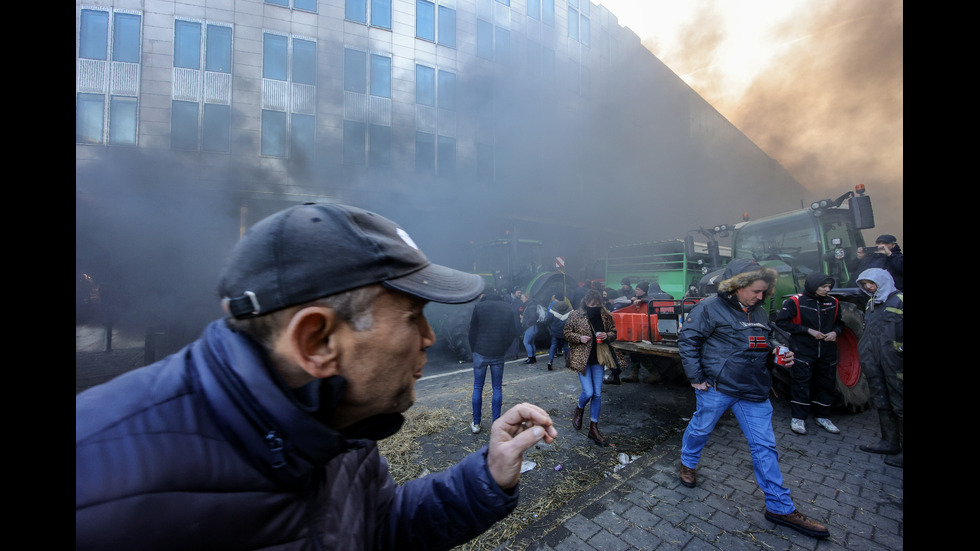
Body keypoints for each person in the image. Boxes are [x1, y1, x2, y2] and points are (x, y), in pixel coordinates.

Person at [76, 203, 558, 550]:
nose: (429, 338)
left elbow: (380, 526)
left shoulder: (339, 424)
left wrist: (488, 476)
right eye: (413, 317)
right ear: (317, 342)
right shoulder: (97, 486)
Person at [676, 259, 830, 539]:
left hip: (754, 389)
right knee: (700, 429)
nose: (761, 297)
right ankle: (687, 463)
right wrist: (696, 377)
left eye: (764, 292)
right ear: (737, 286)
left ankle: (780, 507)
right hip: (717, 386)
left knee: (765, 446)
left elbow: (763, 339)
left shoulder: (758, 312)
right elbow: (688, 341)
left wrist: (777, 350)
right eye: (756, 291)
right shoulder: (708, 308)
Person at [774, 272, 844, 435]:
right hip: (803, 349)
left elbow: (840, 323)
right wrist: (808, 331)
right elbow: (781, 322)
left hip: (827, 350)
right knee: (801, 383)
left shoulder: (833, 302)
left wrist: (835, 332)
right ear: (813, 286)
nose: (828, 290)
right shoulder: (795, 302)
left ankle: (823, 416)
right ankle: (798, 417)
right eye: (824, 287)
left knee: (826, 383)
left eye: (829, 287)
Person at [563, 289, 627, 446]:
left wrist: (607, 336)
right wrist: (579, 338)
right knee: (589, 392)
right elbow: (566, 332)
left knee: (597, 394)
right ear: (586, 302)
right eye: (592, 304)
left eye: (598, 304)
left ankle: (593, 428)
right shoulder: (575, 315)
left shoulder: (605, 315)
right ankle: (579, 408)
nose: (595, 307)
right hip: (582, 359)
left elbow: (614, 332)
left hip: (599, 358)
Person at [855, 268, 903, 468]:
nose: (868, 287)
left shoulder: (899, 300)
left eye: (871, 283)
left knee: (900, 403)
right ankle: (889, 442)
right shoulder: (872, 302)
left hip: (896, 362)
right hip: (874, 361)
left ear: (882, 281)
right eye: (865, 283)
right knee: (882, 400)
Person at [468, 292, 521, 433]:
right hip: (498, 353)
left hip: (480, 352)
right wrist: (504, 348)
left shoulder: (479, 307)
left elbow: (472, 331)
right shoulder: (507, 307)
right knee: (497, 387)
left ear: (484, 294)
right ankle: (496, 424)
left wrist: (474, 349)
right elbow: (513, 332)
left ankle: (476, 424)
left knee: (478, 387)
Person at [546, 293, 572, 371]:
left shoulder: (553, 307)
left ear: (556, 299)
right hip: (565, 330)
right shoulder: (568, 307)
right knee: (566, 345)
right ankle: (567, 362)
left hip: (555, 330)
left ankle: (550, 361)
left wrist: (551, 326)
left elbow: (549, 319)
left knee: (553, 345)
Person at [520, 292, 541, 364]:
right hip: (534, 327)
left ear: (527, 298)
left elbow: (532, 317)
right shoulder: (531, 304)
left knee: (526, 342)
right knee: (531, 343)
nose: (521, 299)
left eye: (522, 297)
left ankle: (530, 358)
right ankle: (533, 357)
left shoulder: (530, 306)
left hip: (531, 327)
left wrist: (525, 322)